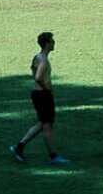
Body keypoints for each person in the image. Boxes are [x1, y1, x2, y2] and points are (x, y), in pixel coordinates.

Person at [10, 32, 69, 164]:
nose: (54, 43)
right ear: (47, 44)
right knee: (47, 126)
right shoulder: (43, 60)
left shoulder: (37, 57)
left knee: (42, 124)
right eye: (52, 41)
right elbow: (38, 77)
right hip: (43, 95)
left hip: (37, 94)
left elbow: (33, 72)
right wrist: (47, 88)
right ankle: (53, 156)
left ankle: (19, 147)